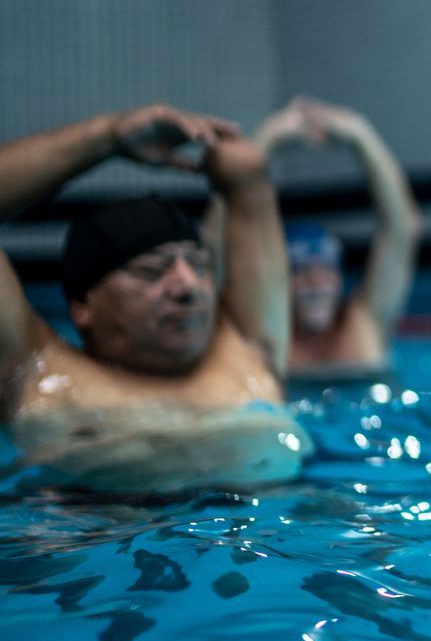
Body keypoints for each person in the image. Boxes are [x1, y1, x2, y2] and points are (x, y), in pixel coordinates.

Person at [0, 105, 308, 495]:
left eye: (198, 266)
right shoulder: (34, 374)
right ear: (82, 306)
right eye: (151, 271)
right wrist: (106, 137)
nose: (187, 286)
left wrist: (235, 164)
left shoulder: (249, 352)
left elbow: (249, 180)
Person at [254, 97, 422, 379]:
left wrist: (361, 135)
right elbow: (217, 246)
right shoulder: (265, 336)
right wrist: (267, 138)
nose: (316, 281)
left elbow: (402, 229)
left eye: (326, 269)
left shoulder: (364, 321)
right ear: (278, 282)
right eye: (300, 271)